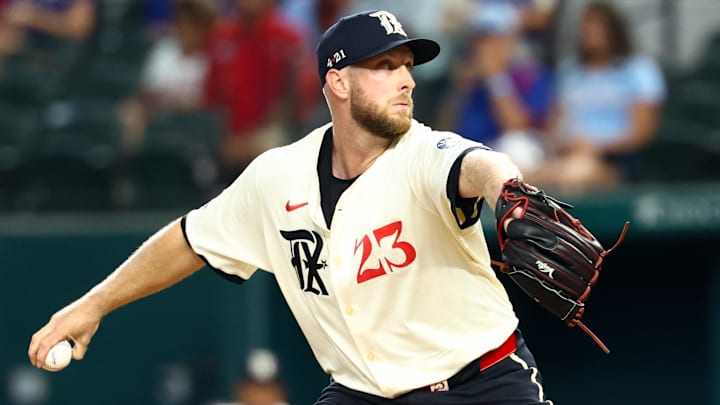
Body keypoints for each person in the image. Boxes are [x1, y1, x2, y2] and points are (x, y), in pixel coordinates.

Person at [28, 10, 553, 404]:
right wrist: (91, 305)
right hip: (363, 392)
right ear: (338, 81)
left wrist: (507, 194)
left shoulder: (423, 154)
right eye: (385, 65)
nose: (407, 80)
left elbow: (479, 165)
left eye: (408, 67)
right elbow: (189, 239)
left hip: (480, 384)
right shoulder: (277, 176)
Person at [530, 1, 665, 193]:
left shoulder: (639, 70)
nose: (591, 31)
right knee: (521, 176)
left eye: (599, 25)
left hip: (616, 163)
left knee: (572, 176)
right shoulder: (569, 72)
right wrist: (566, 143)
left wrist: (596, 146)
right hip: (568, 156)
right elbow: (554, 125)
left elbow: (641, 132)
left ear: (614, 29)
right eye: (587, 24)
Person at [439, 1, 553, 171]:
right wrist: (461, 90)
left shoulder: (529, 75)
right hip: (469, 155)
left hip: (513, 160)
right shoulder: (468, 77)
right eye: (481, 39)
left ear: (511, 40)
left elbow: (517, 127)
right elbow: (444, 131)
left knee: (517, 146)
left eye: (494, 39)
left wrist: (495, 78)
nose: (485, 47)